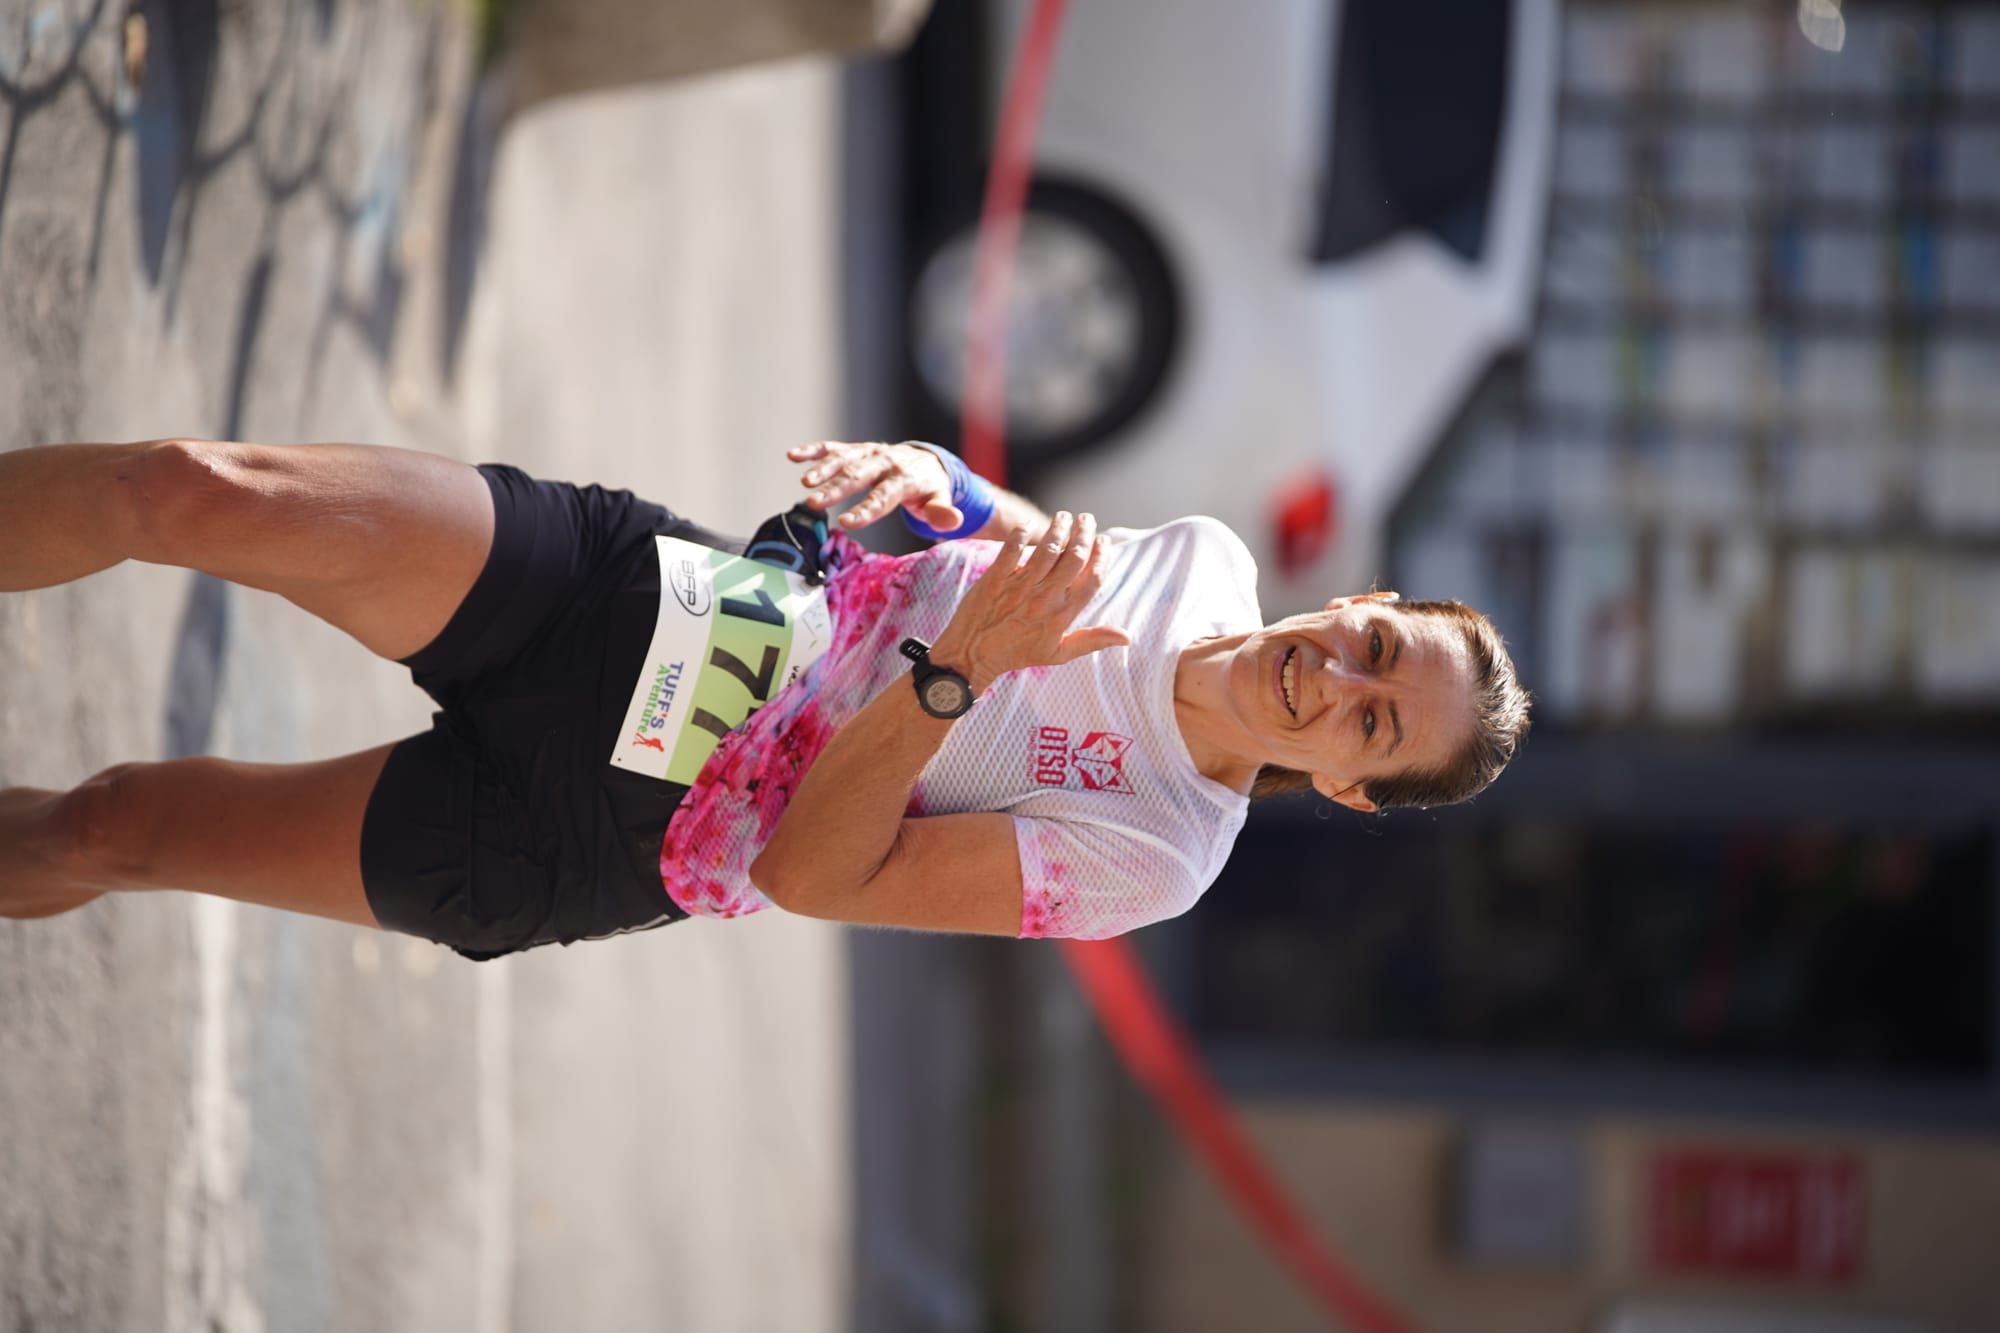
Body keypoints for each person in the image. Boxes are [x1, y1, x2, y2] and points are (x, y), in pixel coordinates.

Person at [0, 437, 1529, 952]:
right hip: (663, 603)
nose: (1339, 679)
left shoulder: (1157, 855)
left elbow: (812, 876)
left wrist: (961, 675)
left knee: (117, 826)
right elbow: (991, 527)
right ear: (1366, 600)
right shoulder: (1199, 560)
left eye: (1373, 724)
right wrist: (930, 482)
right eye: (1378, 645)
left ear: (1346, 788)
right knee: (195, 490)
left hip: (600, 833)